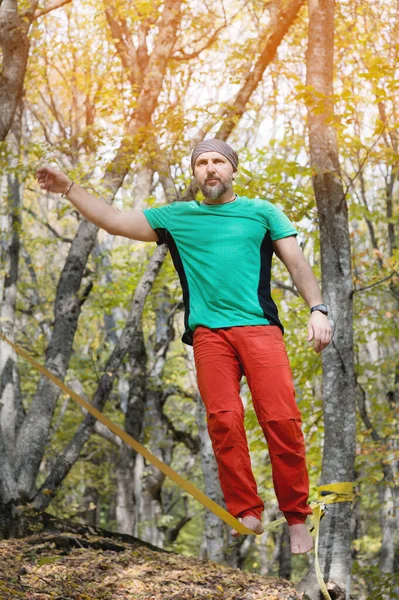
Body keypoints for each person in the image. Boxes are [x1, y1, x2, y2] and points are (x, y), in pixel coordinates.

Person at [37, 138, 332, 554]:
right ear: (195, 173)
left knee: (281, 420)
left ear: (233, 169)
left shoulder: (262, 212)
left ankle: (297, 517)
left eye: (218, 162)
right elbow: (115, 220)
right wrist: (69, 188)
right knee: (224, 420)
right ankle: (247, 508)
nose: (210, 169)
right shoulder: (177, 217)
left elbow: (298, 264)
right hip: (209, 335)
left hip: (260, 329)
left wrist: (317, 309)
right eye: (202, 163)